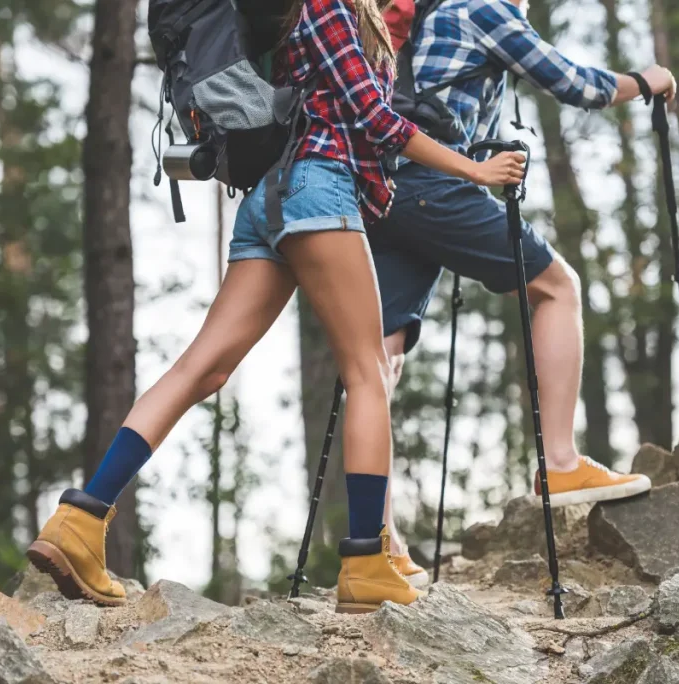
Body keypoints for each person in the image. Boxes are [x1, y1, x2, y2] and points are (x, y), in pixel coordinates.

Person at [26, 0, 524, 613]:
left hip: (273, 198)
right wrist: (473, 170)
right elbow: (378, 120)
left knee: (201, 369)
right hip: (318, 186)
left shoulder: (326, 13)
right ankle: (367, 562)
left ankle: (78, 522)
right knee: (368, 372)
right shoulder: (329, 6)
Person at [373, 0, 679, 589]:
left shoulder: (433, 18)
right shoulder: (481, 8)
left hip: (388, 183)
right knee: (557, 286)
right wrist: (648, 80)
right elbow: (572, 82)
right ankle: (561, 464)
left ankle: (378, 541)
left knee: (379, 364)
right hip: (436, 183)